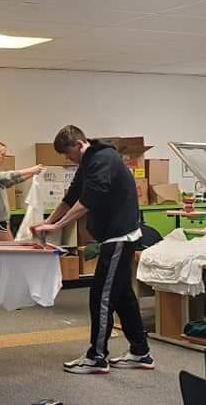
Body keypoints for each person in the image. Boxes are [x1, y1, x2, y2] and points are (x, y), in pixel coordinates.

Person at [31, 125, 155, 375]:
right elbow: (71, 198)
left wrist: (56, 225)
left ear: (78, 144)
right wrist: (48, 223)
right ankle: (140, 352)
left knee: (101, 296)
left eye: (68, 153)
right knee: (123, 297)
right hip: (115, 237)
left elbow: (87, 202)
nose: (68, 159)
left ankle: (97, 357)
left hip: (120, 237)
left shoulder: (103, 160)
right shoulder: (88, 162)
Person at [0, 140, 43, 241]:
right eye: (2, 155)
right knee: (7, 252)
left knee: (1, 254)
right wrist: (30, 170)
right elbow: (4, 176)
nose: (4, 158)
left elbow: (9, 182)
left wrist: (32, 174)